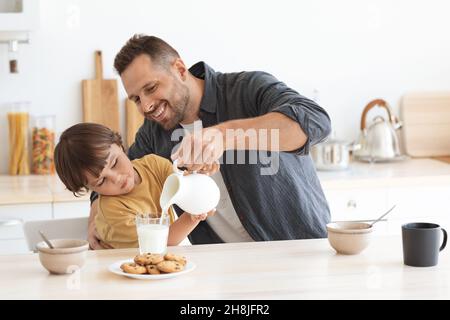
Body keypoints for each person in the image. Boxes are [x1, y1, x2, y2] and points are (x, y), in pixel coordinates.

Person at [88, 34, 332, 248]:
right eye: (136, 99)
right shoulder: (153, 135)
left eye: (151, 88)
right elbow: (115, 176)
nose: (146, 105)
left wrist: (223, 135)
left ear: (180, 69)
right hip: (222, 271)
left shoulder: (247, 89)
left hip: (301, 252)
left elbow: (315, 122)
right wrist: (95, 217)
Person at [55, 122, 210, 249]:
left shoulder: (153, 165)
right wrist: (192, 217)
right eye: (101, 182)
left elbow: (186, 187)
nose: (116, 178)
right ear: (91, 189)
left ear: (120, 145)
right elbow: (163, 242)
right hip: (119, 270)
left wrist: (199, 173)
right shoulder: (112, 210)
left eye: (115, 163)